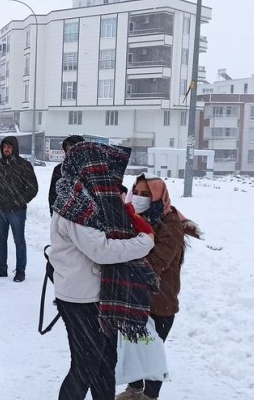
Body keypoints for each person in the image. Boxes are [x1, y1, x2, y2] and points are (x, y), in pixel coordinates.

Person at [51, 142, 156, 400]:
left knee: (104, 366)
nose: (110, 177)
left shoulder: (90, 199)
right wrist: (145, 242)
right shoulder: (75, 205)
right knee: (84, 367)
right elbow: (100, 250)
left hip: (97, 296)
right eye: (105, 169)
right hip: (81, 299)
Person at [116, 175, 201, 400]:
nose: (141, 198)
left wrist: (121, 258)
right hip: (134, 299)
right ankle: (134, 390)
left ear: (159, 197)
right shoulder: (133, 217)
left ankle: (149, 396)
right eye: (138, 192)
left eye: (147, 194)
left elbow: (155, 264)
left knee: (151, 352)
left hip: (160, 303)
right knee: (134, 348)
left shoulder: (170, 224)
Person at [0, 136, 38, 282]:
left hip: (17, 211)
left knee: (19, 241)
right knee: (0, 240)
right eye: (4, 147)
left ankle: (20, 271)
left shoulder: (24, 165)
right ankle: (2, 268)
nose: (6, 149)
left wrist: (19, 201)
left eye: (9, 146)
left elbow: (32, 188)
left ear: (14, 148)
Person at [48, 135, 85, 215]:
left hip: (86, 218)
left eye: (73, 149)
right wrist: (53, 213)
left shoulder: (89, 169)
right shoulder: (59, 169)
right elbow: (53, 194)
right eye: (68, 150)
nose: (70, 153)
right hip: (63, 215)